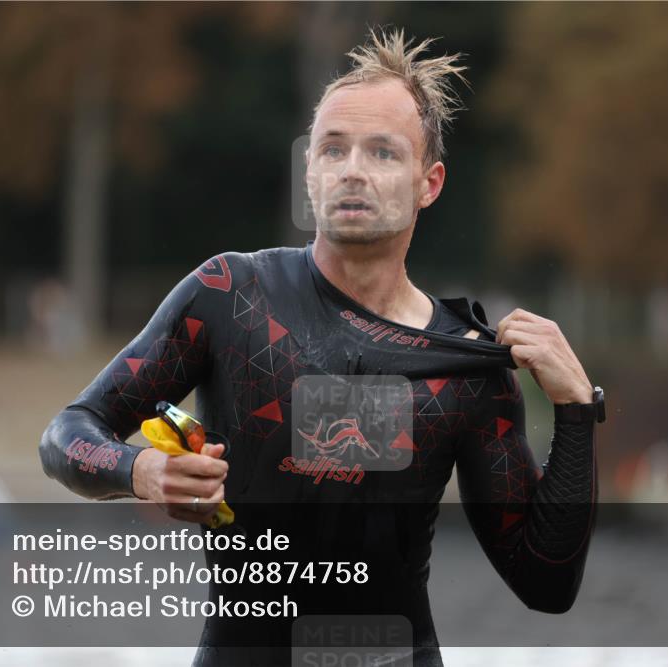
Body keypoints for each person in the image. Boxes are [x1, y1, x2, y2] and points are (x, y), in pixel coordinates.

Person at [40, 27, 602, 666]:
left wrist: (578, 411)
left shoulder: (465, 366)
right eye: (333, 149)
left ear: (430, 182)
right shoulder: (230, 295)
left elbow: (546, 583)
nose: (353, 169)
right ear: (309, 171)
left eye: (383, 153)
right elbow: (66, 434)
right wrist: (140, 471)